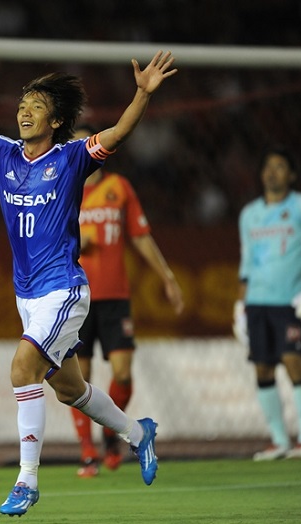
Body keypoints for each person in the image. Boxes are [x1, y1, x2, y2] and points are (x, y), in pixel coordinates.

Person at [0, 34, 177, 516]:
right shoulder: (2, 153)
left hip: (64, 289)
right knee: (71, 390)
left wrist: (142, 94)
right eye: (23, 105)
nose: (24, 112)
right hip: (27, 295)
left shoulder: (71, 158)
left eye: (36, 106)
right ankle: (138, 432)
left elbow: (118, 134)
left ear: (55, 121)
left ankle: (27, 481)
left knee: (23, 369)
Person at [70, 126, 184, 478]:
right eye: (76, 144)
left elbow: (140, 235)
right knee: (78, 379)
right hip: (76, 297)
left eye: (88, 143)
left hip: (115, 297)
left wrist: (167, 277)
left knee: (122, 373)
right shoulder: (62, 190)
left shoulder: (119, 188)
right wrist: (75, 241)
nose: (84, 149)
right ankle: (87, 452)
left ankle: (111, 431)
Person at [233, 145, 301, 461]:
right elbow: (246, 262)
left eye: (279, 167)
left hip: (290, 301)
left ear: (292, 175)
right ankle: (279, 441)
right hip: (256, 301)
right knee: (262, 369)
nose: (272, 172)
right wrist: (239, 307)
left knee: (292, 361)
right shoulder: (249, 214)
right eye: (268, 167)